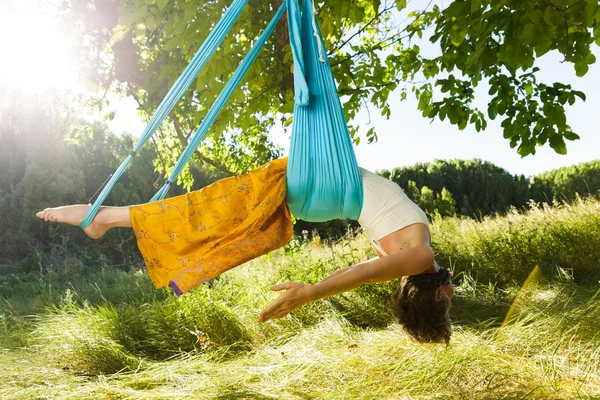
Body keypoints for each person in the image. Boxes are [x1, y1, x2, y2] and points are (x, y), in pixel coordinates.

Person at [36, 158, 455, 344]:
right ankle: (107, 218)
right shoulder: (409, 255)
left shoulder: (417, 256)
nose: (453, 293)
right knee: (214, 218)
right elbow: (368, 268)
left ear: (436, 293)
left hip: (315, 184)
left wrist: (310, 291)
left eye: (448, 301)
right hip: (319, 184)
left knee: (207, 213)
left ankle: (106, 217)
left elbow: (362, 272)